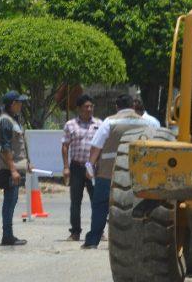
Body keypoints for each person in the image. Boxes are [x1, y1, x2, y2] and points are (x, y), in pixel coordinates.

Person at [82, 94, 153, 250]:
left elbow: (96, 146)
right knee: (137, 207)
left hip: (108, 173)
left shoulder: (110, 122)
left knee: (100, 206)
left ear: (117, 106)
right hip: (136, 174)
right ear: (133, 106)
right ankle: (135, 242)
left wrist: (90, 166)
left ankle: (93, 240)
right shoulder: (147, 123)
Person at [61, 94, 101, 241]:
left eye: (91, 106)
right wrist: (66, 167)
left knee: (97, 200)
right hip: (76, 167)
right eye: (86, 107)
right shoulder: (70, 125)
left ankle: (98, 231)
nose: (89, 109)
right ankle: (75, 232)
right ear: (78, 109)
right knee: (75, 201)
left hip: (94, 168)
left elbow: (102, 147)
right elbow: (65, 146)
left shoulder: (99, 124)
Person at [0, 91, 31, 246]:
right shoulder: (5, 121)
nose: (21, 105)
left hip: (15, 167)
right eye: (19, 102)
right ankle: (7, 236)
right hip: (9, 169)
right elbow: (5, 147)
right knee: (9, 201)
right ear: (12, 104)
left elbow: (19, 146)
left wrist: (26, 163)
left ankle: (8, 234)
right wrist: (13, 170)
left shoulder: (14, 120)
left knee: (13, 200)